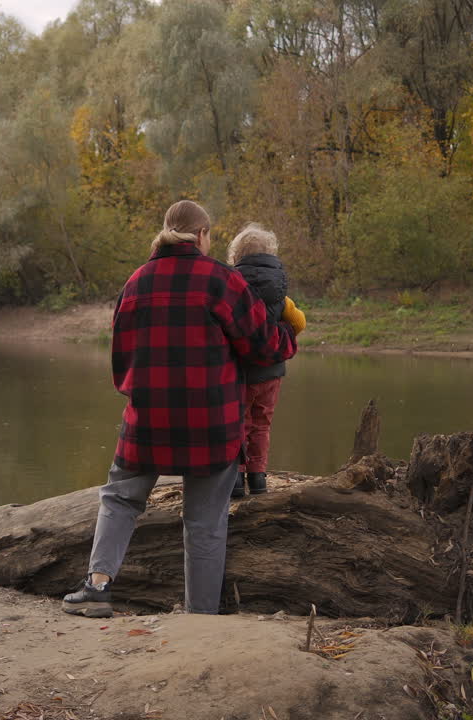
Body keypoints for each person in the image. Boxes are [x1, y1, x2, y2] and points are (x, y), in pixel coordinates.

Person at [62, 200, 300, 618]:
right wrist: (288, 335)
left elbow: (120, 363)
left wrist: (142, 396)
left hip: (148, 420)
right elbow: (263, 345)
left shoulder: (136, 283)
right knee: (205, 522)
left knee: (119, 497)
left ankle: (98, 586)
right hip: (213, 423)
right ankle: (200, 615)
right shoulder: (221, 280)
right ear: (203, 235)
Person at [226, 224, 306, 497]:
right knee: (262, 423)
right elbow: (300, 323)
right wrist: (279, 329)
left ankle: (236, 478)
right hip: (271, 372)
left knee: (239, 421)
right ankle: (258, 477)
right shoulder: (280, 295)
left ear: (235, 257)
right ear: (271, 255)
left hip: (240, 372)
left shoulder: (231, 287)